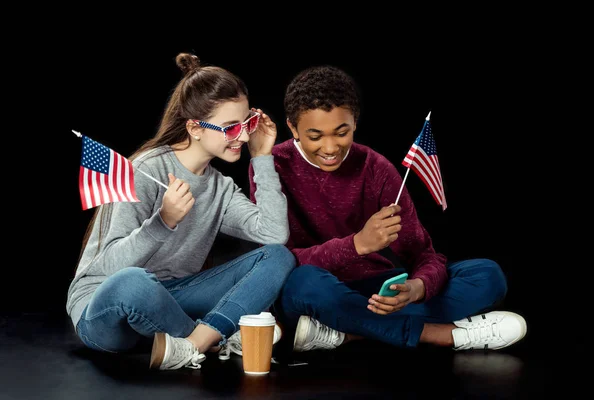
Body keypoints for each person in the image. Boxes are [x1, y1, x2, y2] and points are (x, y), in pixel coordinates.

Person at [235, 65, 527, 355]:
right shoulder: (271, 165)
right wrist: (356, 245)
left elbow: (423, 253)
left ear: (355, 123)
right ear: (293, 128)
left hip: (376, 290)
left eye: (341, 132)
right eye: (315, 136)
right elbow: (275, 261)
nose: (330, 147)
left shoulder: (375, 168)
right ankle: (440, 335)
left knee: (487, 275)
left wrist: (418, 287)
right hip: (315, 289)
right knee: (304, 284)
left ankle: (348, 333)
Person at [66, 52, 296, 371]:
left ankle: (192, 345)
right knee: (134, 282)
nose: (244, 136)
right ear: (195, 128)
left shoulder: (219, 187)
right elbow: (107, 269)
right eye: (231, 128)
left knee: (278, 256)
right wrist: (163, 222)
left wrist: (262, 158)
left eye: (248, 123)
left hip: (171, 302)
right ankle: (215, 337)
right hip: (106, 311)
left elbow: (274, 234)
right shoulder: (144, 170)